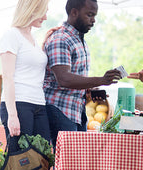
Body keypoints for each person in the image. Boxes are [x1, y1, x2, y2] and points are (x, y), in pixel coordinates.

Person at [0, 0, 50, 170]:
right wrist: (12, 115)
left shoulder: (32, 38)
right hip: (18, 104)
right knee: (19, 164)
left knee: (43, 158)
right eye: (44, 11)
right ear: (33, 9)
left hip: (38, 105)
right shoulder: (11, 35)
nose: (46, 16)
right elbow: (8, 77)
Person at [43, 0, 121, 150]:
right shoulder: (61, 39)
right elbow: (64, 79)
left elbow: (75, 78)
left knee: (75, 165)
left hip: (76, 111)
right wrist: (102, 80)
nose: (93, 20)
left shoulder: (79, 41)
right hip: (59, 110)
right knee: (65, 164)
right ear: (74, 12)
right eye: (89, 15)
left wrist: (90, 90)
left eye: (95, 16)